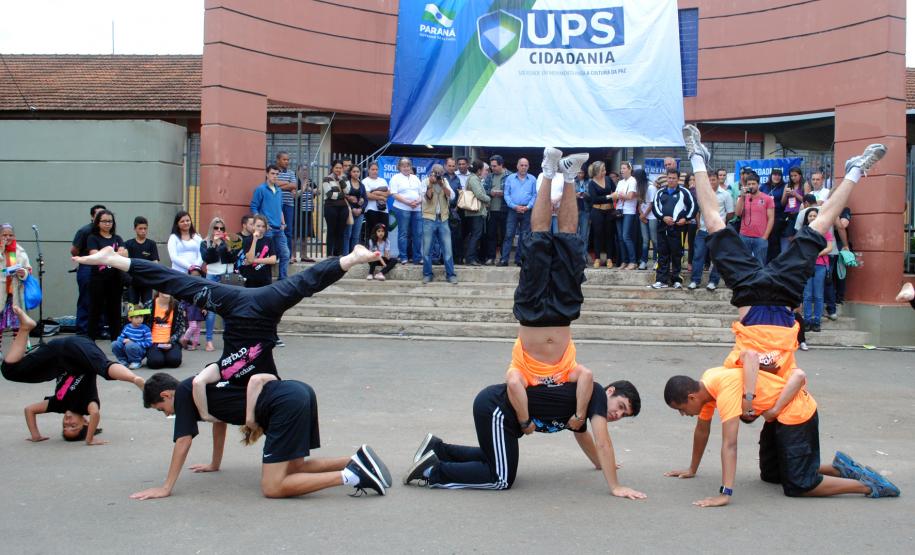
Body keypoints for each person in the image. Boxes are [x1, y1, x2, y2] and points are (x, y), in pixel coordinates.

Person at [667, 125, 897, 504]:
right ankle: (855, 170)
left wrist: (748, 401)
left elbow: (751, 360)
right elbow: (703, 431)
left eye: (685, 410)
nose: (691, 415)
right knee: (818, 226)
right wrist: (694, 467)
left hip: (753, 298)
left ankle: (696, 158)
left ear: (692, 396)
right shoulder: (773, 378)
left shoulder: (723, 379)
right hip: (786, 297)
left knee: (714, 224)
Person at [73, 241, 383, 450]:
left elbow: (199, 381)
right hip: (258, 305)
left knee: (181, 284)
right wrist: (235, 416)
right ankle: (350, 259)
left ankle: (115, 259)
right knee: (300, 284)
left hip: (240, 305)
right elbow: (253, 382)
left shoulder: (228, 374)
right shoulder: (264, 378)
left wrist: (209, 413)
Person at [132, 372, 391, 500]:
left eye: (160, 409)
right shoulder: (198, 388)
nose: (166, 413)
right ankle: (356, 459)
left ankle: (353, 475)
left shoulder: (187, 394)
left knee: (273, 487)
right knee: (295, 467)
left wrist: (166, 488)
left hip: (284, 405)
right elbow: (218, 423)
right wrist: (215, 464)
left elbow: (183, 441)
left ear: (167, 395)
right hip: (297, 392)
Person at [2, 308, 145, 445]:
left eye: (65, 428)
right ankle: (134, 379)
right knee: (103, 367)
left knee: (10, 371)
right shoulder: (87, 405)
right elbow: (95, 414)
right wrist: (89, 438)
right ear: (85, 422)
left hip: (56, 353)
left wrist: (35, 435)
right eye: (73, 427)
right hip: (80, 348)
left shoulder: (58, 405)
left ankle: (26, 327)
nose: (68, 424)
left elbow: (29, 410)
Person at [650, 168, 696, 289]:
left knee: (677, 255)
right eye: (669, 178)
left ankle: (677, 280)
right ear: (667, 178)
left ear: (678, 179)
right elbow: (655, 207)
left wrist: (685, 219)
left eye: (674, 178)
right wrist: (663, 217)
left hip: (678, 230)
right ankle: (661, 280)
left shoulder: (684, 192)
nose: (671, 180)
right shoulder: (660, 192)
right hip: (662, 228)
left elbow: (693, 207)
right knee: (662, 254)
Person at [687, 171, 733, 291]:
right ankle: (695, 280)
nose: (711, 182)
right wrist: (699, 224)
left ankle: (713, 281)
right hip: (703, 230)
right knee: (698, 256)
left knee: (717, 257)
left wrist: (720, 223)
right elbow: (698, 211)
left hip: (718, 231)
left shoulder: (726, 195)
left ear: (718, 180)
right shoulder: (702, 194)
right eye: (709, 180)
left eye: (713, 179)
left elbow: (730, 213)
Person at [87, 209, 127, 340]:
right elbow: (95, 256)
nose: (107, 224)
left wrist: (107, 255)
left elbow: (124, 254)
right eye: (104, 221)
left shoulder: (117, 238)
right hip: (98, 280)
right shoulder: (93, 238)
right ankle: (90, 341)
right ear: (98, 222)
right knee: (95, 311)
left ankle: (116, 342)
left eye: (110, 221)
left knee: (114, 312)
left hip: (115, 280)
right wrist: (114, 254)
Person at [71, 204, 107, 335]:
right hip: (87, 267)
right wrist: (82, 259)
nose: (102, 219)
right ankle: (82, 329)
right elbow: (74, 250)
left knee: (101, 298)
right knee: (86, 298)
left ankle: (99, 328)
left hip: (102, 267)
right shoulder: (85, 231)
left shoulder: (106, 233)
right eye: (99, 215)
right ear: (93, 216)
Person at [200, 216, 234, 352]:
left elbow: (233, 259)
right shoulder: (205, 243)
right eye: (216, 228)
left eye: (221, 228)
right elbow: (207, 259)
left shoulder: (228, 241)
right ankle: (209, 341)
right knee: (211, 310)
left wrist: (229, 247)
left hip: (226, 276)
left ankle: (229, 340)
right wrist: (214, 245)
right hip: (212, 275)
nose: (219, 230)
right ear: (211, 228)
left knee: (227, 310)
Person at [250, 164, 290, 278]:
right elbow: (254, 207)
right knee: (266, 255)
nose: (275, 176)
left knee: (285, 254)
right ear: (267, 174)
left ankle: (283, 279)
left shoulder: (279, 190)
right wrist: (261, 225)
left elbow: (280, 208)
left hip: (279, 229)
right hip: (267, 229)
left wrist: (283, 223)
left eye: (277, 174)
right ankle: (265, 279)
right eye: (272, 173)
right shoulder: (260, 189)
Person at [421, 163, 457, 284]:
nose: (438, 175)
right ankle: (427, 274)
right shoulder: (425, 182)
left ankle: (451, 274)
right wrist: (431, 183)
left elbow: (452, 196)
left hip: (443, 219)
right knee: (426, 249)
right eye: (436, 173)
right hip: (428, 218)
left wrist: (442, 185)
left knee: (447, 249)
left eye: (440, 173)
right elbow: (427, 198)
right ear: (431, 172)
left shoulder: (444, 182)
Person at [801, 208, 833, 333]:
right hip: (807, 266)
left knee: (818, 295)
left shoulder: (825, 231)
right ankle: (807, 321)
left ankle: (816, 322)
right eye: (810, 216)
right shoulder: (804, 232)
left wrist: (816, 254)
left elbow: (829, 247)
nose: (813, 218)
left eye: (815, 215)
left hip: (820, 266)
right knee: (807, 295)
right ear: (807, 218)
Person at [500, 158, 536, 267]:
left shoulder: (533, 179)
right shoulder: (510, 178)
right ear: (517, 166)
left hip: (527, 210)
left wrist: (528, 206)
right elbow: (506, 194)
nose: (523, 167)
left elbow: (535, 195)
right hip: (513, 210)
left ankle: (520, 259)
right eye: (522, 165)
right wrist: (515, 206)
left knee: (524, 236)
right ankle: (504, 259)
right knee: (509, 235)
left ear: (528, 167)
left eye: (526, 165)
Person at [735, 171, 774, 266]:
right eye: (749, 184)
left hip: (760, 238)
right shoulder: (743, 197)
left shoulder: (767, 199)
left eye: (753, 184)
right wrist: (742, 198)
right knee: (743, 264)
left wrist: (765, 237)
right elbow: (738, 214)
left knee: (760, 265)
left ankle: (759, 281)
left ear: (758, 184)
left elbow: (771, 218)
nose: (751, 186)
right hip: (744, 236)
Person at [390, 157, 424, 264]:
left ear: (410, 167)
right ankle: (403, 256)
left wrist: (417, 202)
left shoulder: (415, 178)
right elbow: (394, 194)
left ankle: (417, 258)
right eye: (403, 166)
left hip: (417, 208)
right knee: (403, 233)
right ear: (399, 167)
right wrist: (408, 202)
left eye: (408, 166)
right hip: (402, 208)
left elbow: (422, 193)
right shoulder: (395, 178)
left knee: (418, 233)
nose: (406, 168)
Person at [1, 223, 32, 337]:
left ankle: (17, 350)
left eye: (10, 235)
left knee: (17, 324)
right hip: (1, 291)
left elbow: (27, 268)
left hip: (15, 292)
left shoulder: (19, 251)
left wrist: (23, 273)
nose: (7, 237)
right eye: (4, 235)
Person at [123, 216, 160, 307]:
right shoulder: (128, 244)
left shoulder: (151, 244)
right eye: (140, 228)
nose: (143, 231)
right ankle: (132, 322)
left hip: (146, 281)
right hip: (132, 281)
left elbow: (155, 262)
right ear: (135, 229)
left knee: (147, 306)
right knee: (132, 306)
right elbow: (124, 263)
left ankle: (146, 321)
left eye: (145, 228)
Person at [146, 291, 186, 370]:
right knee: (155, 363)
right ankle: (159, 357)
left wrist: (171, 340)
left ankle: (166, 356)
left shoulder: (177, 306)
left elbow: (181, 327)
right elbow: (143, 324)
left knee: (175, 361)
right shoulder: (149, 305)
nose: (167, 290)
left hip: (171, 341)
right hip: (153, 342)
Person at [462, 160, 491, 267]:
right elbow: (479, 194)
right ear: (479, 170)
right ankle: (470, 258)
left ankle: (472, 257)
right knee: (475, 235)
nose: (487, 172)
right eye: (485, 170)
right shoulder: (474, 179)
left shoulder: (475, 178)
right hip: (475, 212)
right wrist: (489, 198)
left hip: (476, 212)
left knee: (475, 235)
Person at [588, 161, 617, 268]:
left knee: (610, 235)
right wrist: (609, 197)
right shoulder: (592, 183)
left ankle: (609, 258)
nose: (605, 172)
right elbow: (594, 199)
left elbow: (615, 191)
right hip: (597, 211)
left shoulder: (608, 179)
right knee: (598, 235)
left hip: (609, 211)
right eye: (602, 170)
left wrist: (615, 195)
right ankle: (597, 258)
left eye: (604, 169)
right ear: (596, 171)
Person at [611, 162, 638, 270]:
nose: (622, 170)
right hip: (619, 210)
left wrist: (620, 195)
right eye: (621, 168)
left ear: (629, 169)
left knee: (626, 236)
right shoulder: (620, 182)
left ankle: (633, 261)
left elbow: (630, 196)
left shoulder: (633, 180)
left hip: (629, 211)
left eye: (624, 168)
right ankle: (624, 261)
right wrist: (616, 196)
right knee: (620, 238)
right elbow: (615, 196)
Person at [111, 304, 152, 369]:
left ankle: (136, 361)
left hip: (139, 350)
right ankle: (123, 361)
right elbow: (120, 338)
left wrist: (133, 342)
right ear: (130, 318)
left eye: (141, 317)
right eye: (136, 317)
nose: (140, 320)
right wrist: (123, 340)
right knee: (115, 344)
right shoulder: (127, 327)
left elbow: (149, 343)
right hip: (128, 347)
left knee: (130, 345)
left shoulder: (145, 328)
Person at [275, 152, 297, 266]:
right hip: (276, 205)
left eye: (288, 160)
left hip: (288, 204)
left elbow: (294, 186)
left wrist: (281, 185)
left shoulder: (291, 172)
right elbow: (273, 183)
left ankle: (288, 256)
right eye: (284, 159)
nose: (287, 162)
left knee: (288, 231)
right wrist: (287, 184)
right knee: (276, 229)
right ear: (278, 160)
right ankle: (276, 255)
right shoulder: (273, 172)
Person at [241, 215, 277, 288]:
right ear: (253, 226)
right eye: (258, 226)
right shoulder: (247, 240)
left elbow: (273, 260)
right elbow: (250, 258)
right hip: (251, 280)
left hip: (266, 280)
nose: (261, 228)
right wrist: (254, 240)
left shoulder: (269, 240)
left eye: (263, 226)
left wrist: (254, 260)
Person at [761, 168, 787, 262]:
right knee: (765, 239)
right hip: (764, 216)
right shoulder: (764, 186)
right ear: (771, 176)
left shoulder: (784, 186)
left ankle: (774, 263)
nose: (776, 177)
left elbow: (784, 202)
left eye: (779, 175)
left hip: (777, 216)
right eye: (774, 174)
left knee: (774, 240)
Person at [362, 162, 390, 250]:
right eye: (372, 169)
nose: (375, 171)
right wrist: (381, 196)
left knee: (384, 232)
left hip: (383, 210)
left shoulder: (383, 180)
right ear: (368, 170)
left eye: (376, 169)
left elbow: (388, 193)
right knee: (372, 231)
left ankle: (383, 253)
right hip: (371, 210)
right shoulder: (365, 181)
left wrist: (375, 192)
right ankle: (371, 251)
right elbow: (367, 195)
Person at [179, 266, 208, 350]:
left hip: (198, 310)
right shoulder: (187, 286)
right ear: (189, 275)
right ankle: (184, 339)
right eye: (193, 275)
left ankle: (194, 345)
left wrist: (204, 308)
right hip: (190, 310)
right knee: (193, 326)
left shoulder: (202, 287)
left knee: (198, 329)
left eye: (198, 275)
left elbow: (204, 298)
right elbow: (183, 298)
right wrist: (183, 309)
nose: (195, 277)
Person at [343, 164, 367, 254]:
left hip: (359, 213)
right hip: (349, 212)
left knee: (356, 236)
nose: (356, 173)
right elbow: (345, 197)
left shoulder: (362, 185)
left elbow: (366, 199)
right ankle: (346, 255)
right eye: (354, 171)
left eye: (358, 171)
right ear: (350, 173)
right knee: (347, 234)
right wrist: (352, 208)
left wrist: (361, 209)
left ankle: (354, 256)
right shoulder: (347, 183)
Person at [635, 169, 656, 270]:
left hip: (652, 217)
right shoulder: (638, 187)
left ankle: (657, 261)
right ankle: (644, 261)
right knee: (645, 240)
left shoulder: (651, 187)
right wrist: (641, 214)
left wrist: (644, 215)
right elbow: (639, 203)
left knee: (654, 239)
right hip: (642, 216)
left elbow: (652, 204)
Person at [781, 167, 805, 253]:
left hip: (799, 213)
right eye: (791, 176)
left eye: (795, 175)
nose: (793, 178)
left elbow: (807, 201)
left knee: (799, 236)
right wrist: (786, 195)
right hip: (789, 214)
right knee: (789, 236)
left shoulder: (804, 185)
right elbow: (783, 203)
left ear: (800, 175)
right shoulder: (787, 185)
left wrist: (795, 194)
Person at [574, 168, 592, 261]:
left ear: (585, 173)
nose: (580, 174)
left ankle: (583, 256)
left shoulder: (589, 181)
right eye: (578, 172)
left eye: (582, 172)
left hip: (585, 210)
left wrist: (585, 194)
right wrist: (575, 195)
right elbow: (568, 194)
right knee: (575, 234)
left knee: (584, 235)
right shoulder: (573, 181)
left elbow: (592, 195)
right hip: (575, 210)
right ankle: (576, 255)